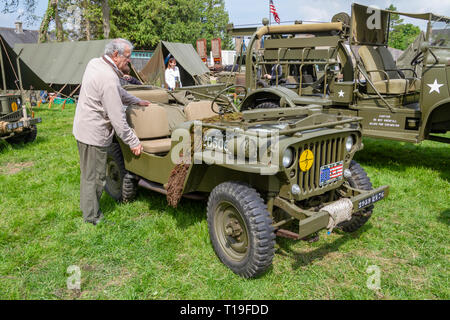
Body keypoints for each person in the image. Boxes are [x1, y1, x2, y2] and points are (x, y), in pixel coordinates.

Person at [72, 38, 150, 225]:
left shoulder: (96, 63)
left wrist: (135, 100)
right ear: (116, 55)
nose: (129, 61)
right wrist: (134, 142)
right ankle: (92, 218)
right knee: (96, 177)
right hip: (94, 134)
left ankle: (87, 209)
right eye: (128, 57)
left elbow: (117, 92)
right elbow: (118, 120)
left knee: (88, 174)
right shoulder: (108, 78)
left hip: (83, 129)